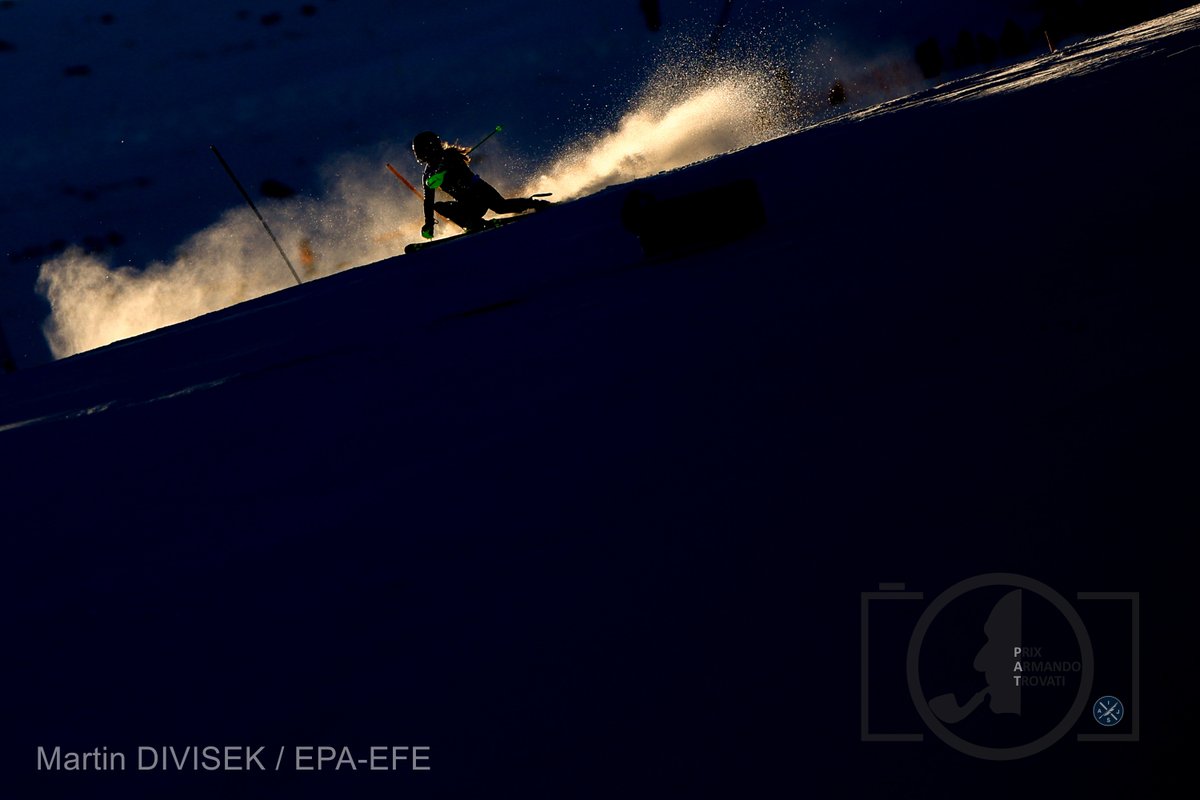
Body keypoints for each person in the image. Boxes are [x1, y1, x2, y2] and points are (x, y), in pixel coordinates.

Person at [411, 131, 549, 239]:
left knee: (501, 207)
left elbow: (461, 170)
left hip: (481, 192)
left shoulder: (450, 156)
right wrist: (429, 223)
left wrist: (445, 170)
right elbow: (428, 201)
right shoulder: (428, 174)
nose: (420, 155)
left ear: (430, 147)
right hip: (468, 204)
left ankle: (535, 204)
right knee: (439, 206)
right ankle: (474, 224)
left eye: (420, 150)